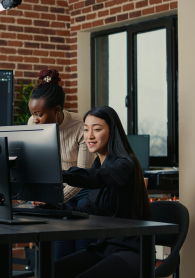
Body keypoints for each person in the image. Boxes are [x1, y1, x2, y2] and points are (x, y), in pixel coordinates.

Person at [51, 106, 152, 278]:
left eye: (96, 129)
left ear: (112, 132)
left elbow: (99, 177)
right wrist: (52, 207)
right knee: (52, 271)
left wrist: (58, 174)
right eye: (85, 129)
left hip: (130, 249)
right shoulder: (98, 165)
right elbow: (88, 211)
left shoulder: (126, 163)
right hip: (104, 247)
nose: (89, 136)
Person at [27, 69, 95, 259]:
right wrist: (39, 192)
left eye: (39, 114)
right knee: (59, 250)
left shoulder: (81, 126)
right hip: (54, 191)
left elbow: (82, 176)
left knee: (82, 249)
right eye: (32, 114)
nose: (34, 119)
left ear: (57, 110)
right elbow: (34, 164)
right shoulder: (33, 124)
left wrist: (54, 198)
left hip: (82, 190)